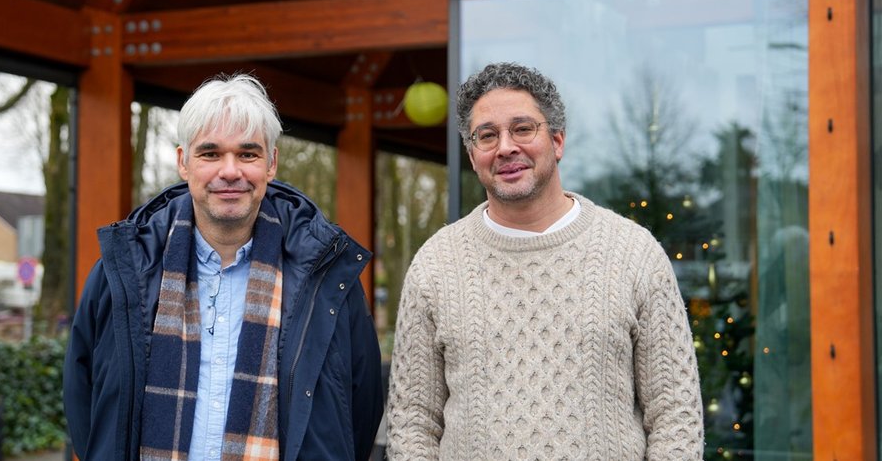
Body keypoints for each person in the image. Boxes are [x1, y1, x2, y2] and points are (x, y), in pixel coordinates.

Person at [386, 62, 703, 459]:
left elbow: (676, 414)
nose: (505, 147)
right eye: (487, 135)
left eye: (522, 129)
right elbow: (412, 422)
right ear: (472, 155)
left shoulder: (633, 253)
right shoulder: (435, 265)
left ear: (557, 141)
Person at [64, 73, 383, 461]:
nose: (230, 171)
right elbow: (84, 400)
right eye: (210, 154)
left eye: (248, 154)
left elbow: (360, 408)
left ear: (271, 163)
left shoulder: (326, 277)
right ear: (183, 162)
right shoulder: (125, 269)